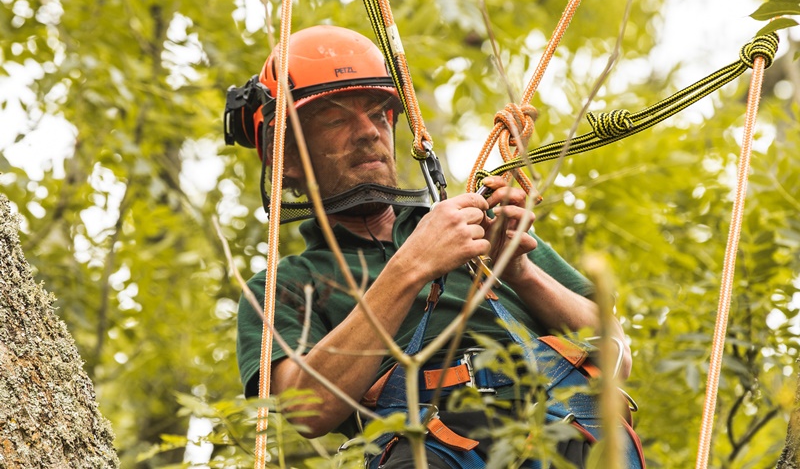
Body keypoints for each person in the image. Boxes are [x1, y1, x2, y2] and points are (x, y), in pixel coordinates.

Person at [231, 25, 640, 468]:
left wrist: (519, 273)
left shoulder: (473, 227)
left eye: (377, 113)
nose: (368, 131)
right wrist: (410, 268)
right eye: (336, 118)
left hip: (563, 429)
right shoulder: (285, 285)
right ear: (286, 157)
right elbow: (306, 410)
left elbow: (615, 353)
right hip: (429, 449)